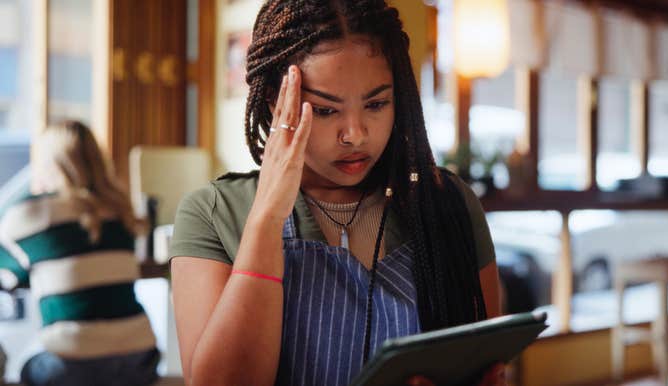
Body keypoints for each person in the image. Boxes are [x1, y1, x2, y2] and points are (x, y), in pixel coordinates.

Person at [169, 1, 503, 385]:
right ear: (275, 103)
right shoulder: (213, 213)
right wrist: (267, 216)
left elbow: (481, 362)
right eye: (326, 111)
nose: (355, 134)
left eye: (377, 104)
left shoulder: (447, 202)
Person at [0, 121, 159, 386]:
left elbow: (8, 276)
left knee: (27, 367)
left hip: (73, 365)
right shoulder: (121, 212)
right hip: (141, 359)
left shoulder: (30, 214)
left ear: (48, 162)